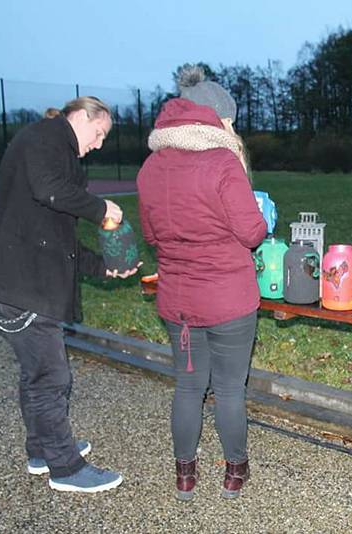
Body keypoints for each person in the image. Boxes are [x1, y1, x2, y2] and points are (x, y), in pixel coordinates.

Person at [0, 96, 139, 493]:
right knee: (51, 376)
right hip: (20, 286)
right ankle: (66, 467)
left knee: (36, 373)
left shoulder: (53, 154)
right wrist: (100, 209)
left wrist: (106, 267)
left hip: (19, 283)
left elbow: (61, 242)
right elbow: (49, 189)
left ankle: (42, 449)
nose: (98, 144)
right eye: (99, 133)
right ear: (81, 116)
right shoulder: (45, 138)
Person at [136, 66, 266, 501]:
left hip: (179, 302)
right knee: (229, 387)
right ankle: (234, 471)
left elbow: (152, 237)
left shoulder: (151, 167)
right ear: (216, 119)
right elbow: (252, 234)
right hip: (229, 300)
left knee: (189, 386)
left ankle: (185, 475)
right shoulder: (222, 162)